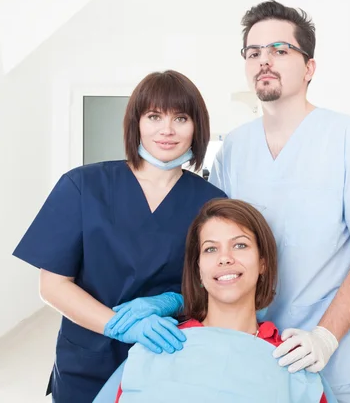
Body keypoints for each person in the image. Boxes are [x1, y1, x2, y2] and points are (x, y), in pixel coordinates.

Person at [208, 0, 350, 403]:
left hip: (327, 356)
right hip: (251, 351)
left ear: (309, 67)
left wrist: (325, 337)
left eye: (279, 50)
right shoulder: (234, 149)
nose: (264, 61)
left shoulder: (347, 138)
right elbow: (218, 248)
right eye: (254, 53)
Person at [12, 70, 227, 402]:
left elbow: (217, 283)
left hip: (168, 356)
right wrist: (119, 325)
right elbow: (52, 285)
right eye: (154, 116)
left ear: (197, 127)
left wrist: (174, 300)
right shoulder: (83, 186)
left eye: (181, 118)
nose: (167, 130)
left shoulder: (212, 203)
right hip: (87, 362)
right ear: (136, 123)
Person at [114, 198, 328, 402]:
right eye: (211, 249)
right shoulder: (159, 345)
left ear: (263, 263)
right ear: (198, 269)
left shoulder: (292, 360)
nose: (225, 258)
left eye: (240, 245)